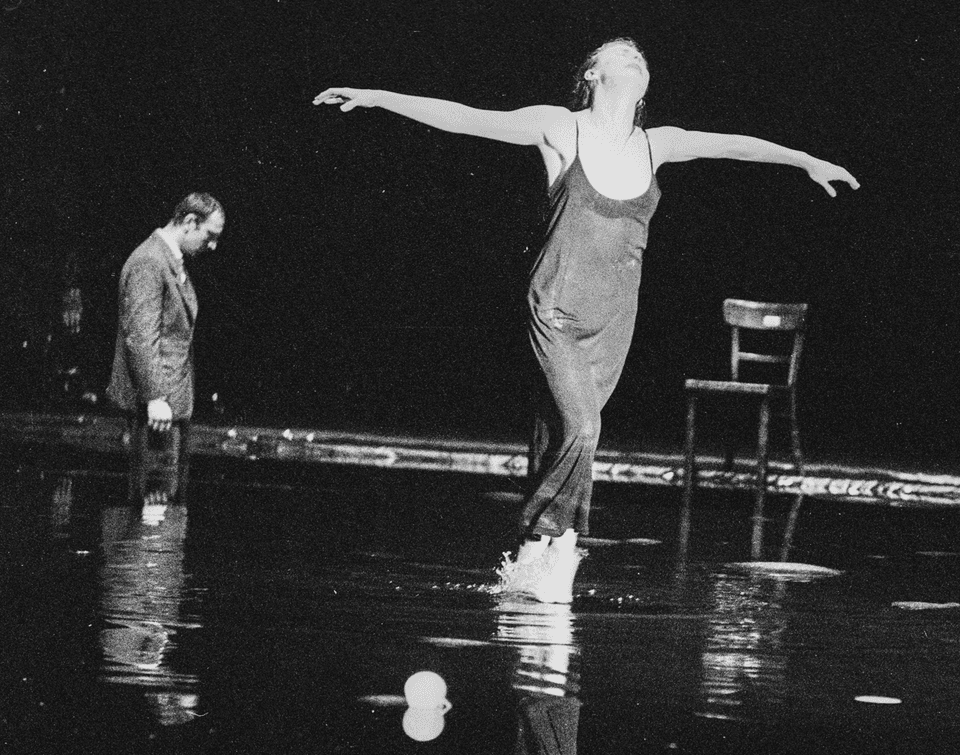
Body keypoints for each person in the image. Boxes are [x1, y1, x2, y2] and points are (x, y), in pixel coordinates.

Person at [314, 38, 859, 604]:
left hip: (614, 317)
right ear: (591, 74)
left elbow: (735, 147)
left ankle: (531, 559)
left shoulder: (658, 144)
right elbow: (466, 118)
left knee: (565, 433)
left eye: (640, 56)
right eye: (619, 54)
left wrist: (804, 160)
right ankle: (555, 545)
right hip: (556, 304)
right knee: (585, 427)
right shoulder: (559, 127)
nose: (634, 58)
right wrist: (378, 96)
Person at [106, 192, 226, 503]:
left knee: (165, 516)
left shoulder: (169, 260)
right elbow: (141, 335)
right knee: (154, 517)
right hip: (156, 411)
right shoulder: (149, 261)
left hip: (169, 406)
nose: (212, 246)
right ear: (189, 222)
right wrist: (155, 397)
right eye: (210, 236)